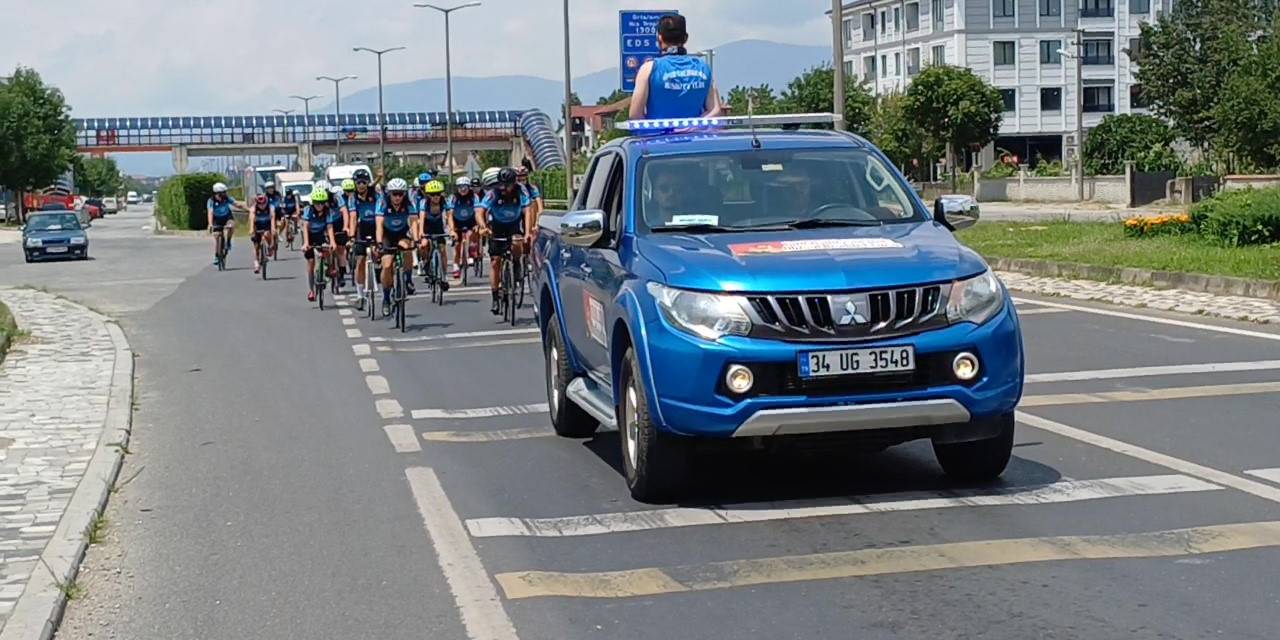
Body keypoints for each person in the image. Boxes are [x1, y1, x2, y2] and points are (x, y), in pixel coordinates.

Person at [628, 14, 721, 121]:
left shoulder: (648, 70)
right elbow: (715, 111)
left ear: (659, 38)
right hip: (695, 136)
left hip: (657, 137)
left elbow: (634, 115)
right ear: (685, 38)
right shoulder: (703, 68)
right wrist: (692, 126)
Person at [476, 168, 530, 315]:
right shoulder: (493, 193)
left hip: (514, 224)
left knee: (517, 243)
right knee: (495, 261)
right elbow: (480, 211)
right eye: (501, 184)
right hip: (497, 226)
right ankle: (495, 297)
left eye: (507, 185)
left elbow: (528, 211)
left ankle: (517, 263)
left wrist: (528, 232)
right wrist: (483, 226)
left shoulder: (521, 191)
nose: (504, 188)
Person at [377, 178, 419, 316]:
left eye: (400, 194)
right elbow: (379, 225)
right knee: (387, 265)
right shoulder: (382, 202)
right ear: (389, 194)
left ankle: (407, 279)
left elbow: (414, 222)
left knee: (407, 250)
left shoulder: (408, 203)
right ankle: (386, 298)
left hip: (402, 233)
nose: (397, 197)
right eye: (394, 194)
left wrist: (416, 239)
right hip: (387, 235)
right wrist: (379, 243)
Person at [348, 170, 380, 311]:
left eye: (364, 182)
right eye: (358, 182)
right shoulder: (353, 198)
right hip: (361, 229)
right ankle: (360, 295)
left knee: (380, 252)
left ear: (368, 183)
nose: (361, 185)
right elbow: (353, 218)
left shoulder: (376, 195)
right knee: (360, 261)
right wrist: (351, 237)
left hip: (375, 226)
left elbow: (381, 215)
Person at [301, 187, 339, 302]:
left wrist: (332, 242)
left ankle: (329, 268)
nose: (319, 205)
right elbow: (305, 226)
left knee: (328, 249)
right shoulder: (308, 210)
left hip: (321, 235)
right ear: (313, 202)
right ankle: (312, 290)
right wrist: (306, 243)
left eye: (322, 203)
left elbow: (329, 227)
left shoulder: (328, 211)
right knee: (311, 263)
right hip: (310, 236)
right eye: (317, 203)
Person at [418, 180, 452, 291]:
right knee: (424, 245)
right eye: (433, 194)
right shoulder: (424, 203)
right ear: (428, 195)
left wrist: (452, 230)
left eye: (438, 193)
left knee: (442, 250)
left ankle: (444, 276)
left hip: (438, 227)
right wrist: (421, 232)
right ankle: (426, 261)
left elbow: (449, 216)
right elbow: (422, 217)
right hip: (427, 227)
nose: (436, 196)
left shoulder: (444, 201)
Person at [448, 176, 481, 278]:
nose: (463, 189)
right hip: (457, 221)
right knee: (457, 245)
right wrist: (452, 229)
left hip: (470, 220)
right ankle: (456, 266)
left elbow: (477, 212)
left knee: (473, 233)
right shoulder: (453, 197)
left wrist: (478, 224)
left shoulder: (474, 197)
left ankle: (472, 249)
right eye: (460, 187)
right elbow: (450, 215)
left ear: (469, 187)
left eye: (465, 187)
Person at [206, 182, 238, 265]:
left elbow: (236, 204)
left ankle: (228, 241)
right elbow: (210, 212)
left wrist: (248, 209)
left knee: (231, 225)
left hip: (227, 217)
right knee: (217, 236)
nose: (225, 193)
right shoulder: (211, 201)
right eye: (224, 192)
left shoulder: (227, 198)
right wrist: (210, 224)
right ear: (218, 193)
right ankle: (217, 256)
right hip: (217, 219)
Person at [329, 184, 350, 291]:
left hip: (338, 224)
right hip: (325, 225)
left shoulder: (337, 198)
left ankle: (341, 275)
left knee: (341, 250)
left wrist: (345, 226)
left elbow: (344, 212)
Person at [248, 194, 275, 274]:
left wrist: (273, 228)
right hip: (257, 226)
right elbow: (252, 219)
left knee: (267, 234)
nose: (262, 206)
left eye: (264, 204)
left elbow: (273, 218)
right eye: (260, 204)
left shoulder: (270, 207)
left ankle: (270, 247)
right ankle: (256, 262)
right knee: (256, 246)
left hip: (267, 225)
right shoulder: (253, 209)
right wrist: (252, 229)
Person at [516, 166, 544, 232]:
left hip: (528, 212)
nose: (521, 182)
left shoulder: (532, 189)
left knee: (532, 205)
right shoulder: (513, 189)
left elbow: (540, 208)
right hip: (516, 212)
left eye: (523, 179)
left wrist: (537, 223)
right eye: (519, 180)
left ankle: (531, 230)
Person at [262, 182, 283, 257]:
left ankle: (279, 233)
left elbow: (281, 202)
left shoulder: (278, 194)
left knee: (283, 221)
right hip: (269, 214)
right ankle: (270, 244)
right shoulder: (265, 196)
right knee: (268, 232)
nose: (270, 189)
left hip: (278, 212)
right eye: (268, 188)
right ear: (266, 189)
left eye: (271, 187)